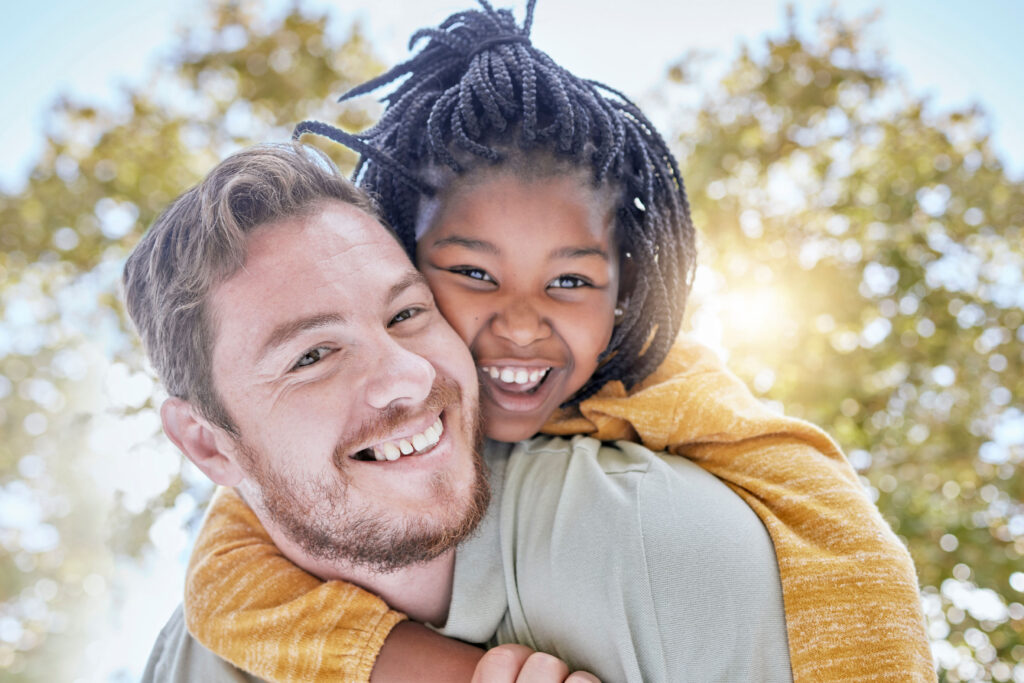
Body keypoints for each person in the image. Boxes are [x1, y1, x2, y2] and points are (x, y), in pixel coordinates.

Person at [166, 2, 934, 681]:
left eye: (569, 283)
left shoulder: (666, 393)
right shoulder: (306, 458)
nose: (523, 324)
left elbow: (849, 550)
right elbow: (225, 578)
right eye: (471, 272)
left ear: (625, 287)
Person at [132, 142, 791, 682]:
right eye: (313, 355)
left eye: (407, 313)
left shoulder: (661, 550)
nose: (406, 375)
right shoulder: (189, 662)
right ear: (208, 445)